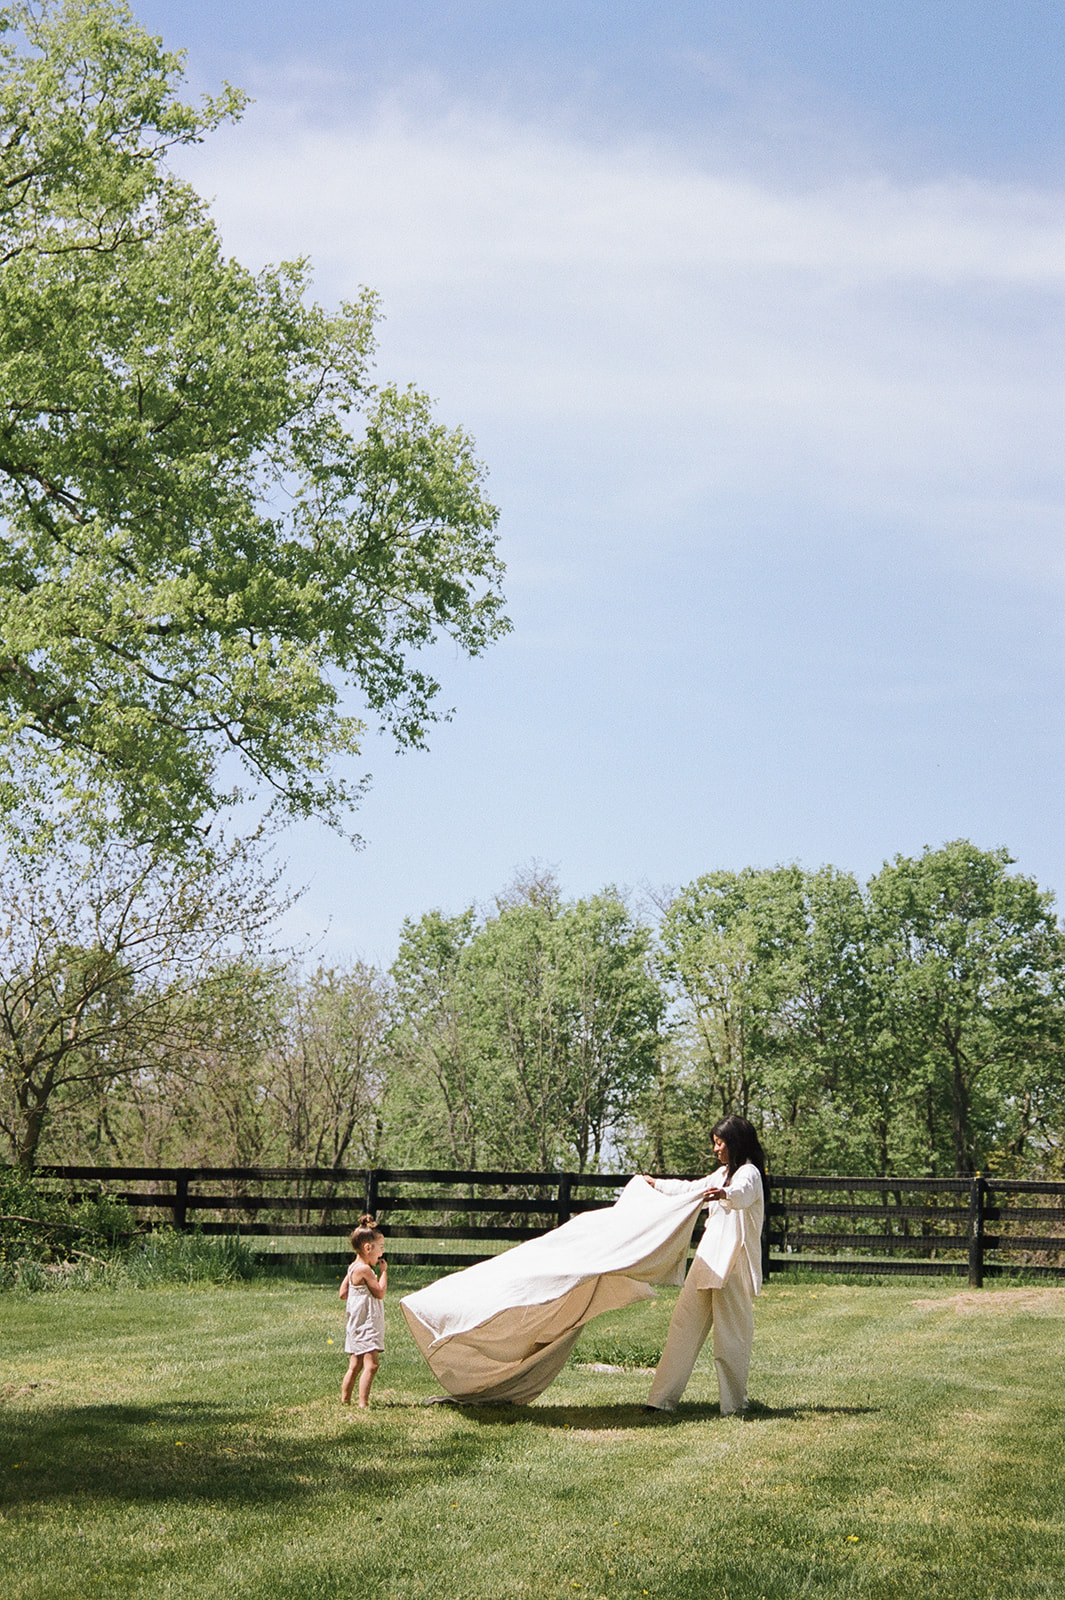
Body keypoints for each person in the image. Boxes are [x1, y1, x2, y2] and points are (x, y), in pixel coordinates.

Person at [641, 1114, 766, 1416]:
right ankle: (660, 1400)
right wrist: (655, 1184)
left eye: (719, 1143)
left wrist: (725, 1194)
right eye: (714, 1143)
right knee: (683, 1327)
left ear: (734, 1143)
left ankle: (734, 1406)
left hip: (732, 1265)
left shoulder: (748, 1173)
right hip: (707, 1260)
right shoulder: (721, 1173)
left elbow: (743, 1194)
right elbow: (689, 1188)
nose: (715, 1149)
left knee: (731, 1336)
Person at [339, 1214, 387, 1407]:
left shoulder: (353, 1268)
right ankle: (363, 1403)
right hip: (366, 1325)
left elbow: (343, 1293)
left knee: (355, 1365)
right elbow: (380, 1293)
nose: (382, 1254)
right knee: (372, 1365)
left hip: (355, 1325)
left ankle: (345, 1400)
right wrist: (383, 1273)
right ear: (368, 1248)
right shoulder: (365, 1271)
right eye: (381, 1248)